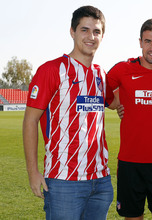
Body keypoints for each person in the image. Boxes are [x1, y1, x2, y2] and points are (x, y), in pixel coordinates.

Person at [23, 6, 117, 220]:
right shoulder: (52, 70)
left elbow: (116, 103)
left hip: (101, 181)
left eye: (97, 31)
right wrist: (32, 172)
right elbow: (30, 121)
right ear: (72, 32)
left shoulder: (101, 74)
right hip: (64, 180)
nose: (91, 37)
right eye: (84, 30)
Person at [107, 18, 152, 220]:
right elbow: (104, 94)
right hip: (130, 163)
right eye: (148, 41)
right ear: (140, 42)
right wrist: (118, 105)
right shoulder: (122, 69)